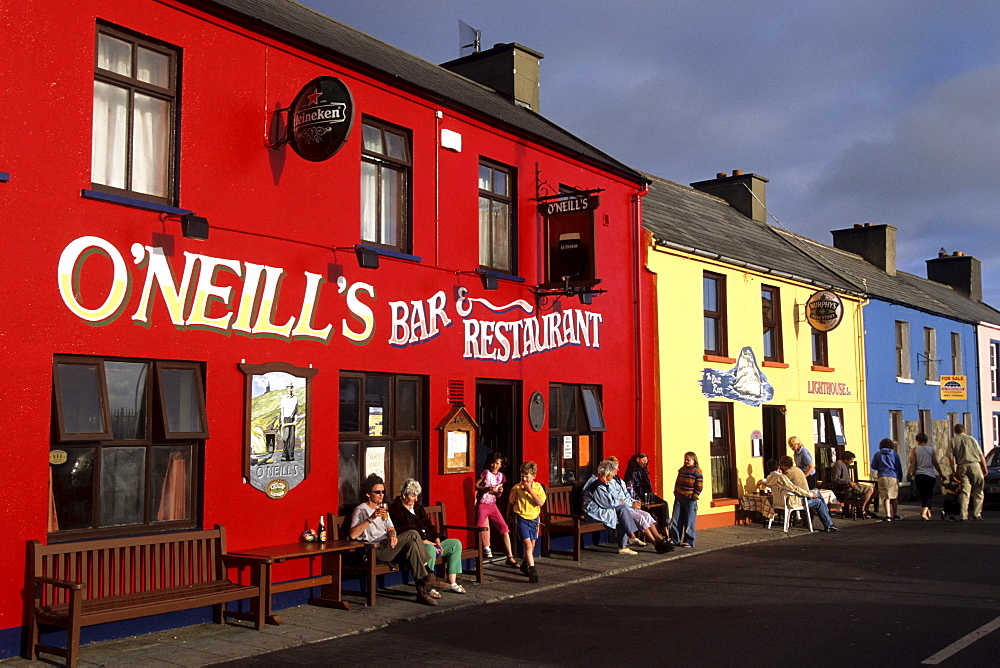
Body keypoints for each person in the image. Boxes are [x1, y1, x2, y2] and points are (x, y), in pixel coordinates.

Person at [349, 474, 438, 606]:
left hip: (388, 546)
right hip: (374, 550)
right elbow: (352, 535)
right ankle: (429, 573)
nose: (381, 495)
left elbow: (390, 527)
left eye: (383, 492)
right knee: (413, 534)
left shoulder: (383, 509)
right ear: (368, 494)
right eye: (377, 492)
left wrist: (392, 535)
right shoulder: (361, 510)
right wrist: (371, 518)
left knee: (412, 546)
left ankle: (421, 592)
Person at [388, 478, 467, 595]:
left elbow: (429, 526)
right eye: (413, 496)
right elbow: (404, 530)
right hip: (415, 545)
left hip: (430, 541)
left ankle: (452, 582)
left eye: (417, 496)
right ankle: (429, 585)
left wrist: (436, 538)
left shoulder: (418, 508)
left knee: (455, 544)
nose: (416, 499)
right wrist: (425, 541)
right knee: (430, 550)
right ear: (404, 495)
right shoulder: (395, 509)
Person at [608, 457, 672, 552]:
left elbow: (626, 495)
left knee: (646, 515)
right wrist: (631, 504)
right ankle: (655, 544)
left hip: (628, 506)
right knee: (640, 518)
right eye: (615, 467)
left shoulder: (619, 481)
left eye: (618, 467)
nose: (617, 469)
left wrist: (635, 501)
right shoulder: (608, 483)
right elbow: (617, 500)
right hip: (620, 509)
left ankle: (659, 539)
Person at [582, 459, 642, 556]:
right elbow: (605, 503)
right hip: (593, 511)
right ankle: (627, 540)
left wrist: (619, 502)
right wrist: (619, 501)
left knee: (622, 512)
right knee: (622, 511)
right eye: (613, 472)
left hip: (602, 508)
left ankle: (627, 541)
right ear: (608, 472)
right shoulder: (597, 485)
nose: (614, 475)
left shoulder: (603, 482)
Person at [765, 458, 839, 532]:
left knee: (817, 495)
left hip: (779, 502)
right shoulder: (784, 476)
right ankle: (829, 524)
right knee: (818, 502)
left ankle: (826, 516)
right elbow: (794, 489)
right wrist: (810, 495)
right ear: (778, 467)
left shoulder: (769, 478)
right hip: (793, 502)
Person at [475, 453, 518, 567]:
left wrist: (499, 492)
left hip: (493, 505)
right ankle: (483, 550)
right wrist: (486, 488)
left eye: (497, 463)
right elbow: (476, 485)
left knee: (504, 527)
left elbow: (498, 495)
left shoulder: (501, 477)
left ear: (501, 465)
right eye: (493, 463)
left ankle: (510, 556)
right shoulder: (485, 473)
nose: (494, 465)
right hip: (483, 504)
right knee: (480, 528)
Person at [508, 461, 546, 583]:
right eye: (522, 476)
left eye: (527, 477)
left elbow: (540, 503)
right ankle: (533, 570)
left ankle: (525, 563)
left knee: (533, 544)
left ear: (533, 477)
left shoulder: (538, 487)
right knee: (527, 545)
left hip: (534, 518)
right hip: (521, 517)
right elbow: (511, 502)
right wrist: (508, 513)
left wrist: (530, 491)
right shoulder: (517, 488)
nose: (524, 479)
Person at [946, 424, 988, 521]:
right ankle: (977, 513)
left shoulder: (953, 441)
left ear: (954, 431)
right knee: (978, 490)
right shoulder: (972, 439)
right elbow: (981, 455)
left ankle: (963, 515)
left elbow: (951, 458)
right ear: (964, 430)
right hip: (974, 465)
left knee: (965, 491)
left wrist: (953, 471)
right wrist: (984, 467)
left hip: (962, 466)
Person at [624, 453, 670, 528]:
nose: (645, 462)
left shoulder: (643, 470)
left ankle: (665, 526)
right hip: (641, 496)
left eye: (646, 460)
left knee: (663, 504)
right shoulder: (633, 470)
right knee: (648, 508)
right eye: (644, 460)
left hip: (649, 495)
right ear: (638, 459)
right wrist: (638, 499)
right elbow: (631, 486)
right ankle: (661, 529)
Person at [668, 452, 703, 547]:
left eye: (688, 460)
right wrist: (676, 492)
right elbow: (677, 481)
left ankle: (689, 540)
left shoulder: (697, 472)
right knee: (676, 519)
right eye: (685, 459)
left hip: (690, 500)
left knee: (689, 520)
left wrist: (694, 497)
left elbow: (699, 486)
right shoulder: (682, 470)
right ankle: (675, 539)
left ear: (694, 460)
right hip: (679, 498)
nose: (686, 461)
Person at [829, 451, 875, 518]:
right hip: (844, 487)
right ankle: (862, 509)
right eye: (851, 460)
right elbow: (835, 479)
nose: (852, 462)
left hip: (850, 485)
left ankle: (865, 509)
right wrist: (848, 482)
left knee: (873, 489)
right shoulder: (838, 465)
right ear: (846, 459)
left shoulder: (845, 465)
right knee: (870, 489)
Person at [908, 433, 943, 521]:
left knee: (923, 494)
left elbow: (911, 461)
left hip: (919, 474)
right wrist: (941, 474)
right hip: (930, 475)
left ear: (917, 440)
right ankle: (924, 513)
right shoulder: (931, 450)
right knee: (928, 494)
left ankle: (927, 511)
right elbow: (935, 463)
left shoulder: (915, 449)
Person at [871, 438, 903, 521]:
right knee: (894, 496)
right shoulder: (894, 455)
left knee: (885, 497)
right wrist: (900, 477)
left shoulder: (877, 454)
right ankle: (895, 514)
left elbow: (873, 466)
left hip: (882, 476)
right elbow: (898, 466)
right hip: (893, 476)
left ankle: (888, 515)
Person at [280, 383, 298, 462]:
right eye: (288, 388)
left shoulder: (295, 398)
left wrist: (295, 420)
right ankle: (284, 455)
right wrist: (282, 422)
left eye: (291, 388)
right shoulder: (284, 398)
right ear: (286, 389)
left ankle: (291, 455)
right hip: (285, 419)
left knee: (292, 439)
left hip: (292, 420)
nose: (290, 389)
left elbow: (296, 410)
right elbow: (282, 411)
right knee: (285, 438)